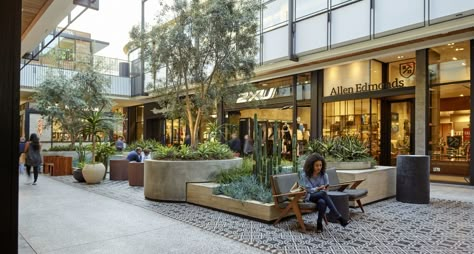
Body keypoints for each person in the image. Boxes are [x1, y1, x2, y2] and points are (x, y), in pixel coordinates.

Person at [302, 153, 349, 233]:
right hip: (310, 196)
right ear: (311, 165)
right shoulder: (306, 175)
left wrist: (325, 189)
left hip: (321, 196)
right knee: (323, 194)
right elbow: (309, 190)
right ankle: (338, 216)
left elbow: (326, 189)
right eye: (316, 165)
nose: (319, 167)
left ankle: (319, 224)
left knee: (322, 202)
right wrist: (318, 189)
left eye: (320, 165)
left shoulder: (324, 175)